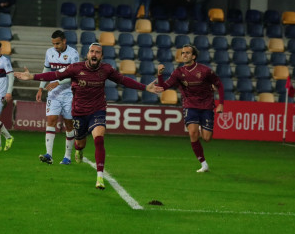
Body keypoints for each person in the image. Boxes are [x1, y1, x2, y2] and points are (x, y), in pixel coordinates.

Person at [15, 42, 163, 189]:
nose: (94, 54)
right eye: (92, 51)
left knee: (99, 139)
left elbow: (123, 80)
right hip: (79, 112)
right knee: (80, 144)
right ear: (87, 54)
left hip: (98, 110)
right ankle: (78, 151)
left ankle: (99, 177)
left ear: (102, 56)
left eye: (97, 52)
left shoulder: (106, 69)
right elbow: (54, 74)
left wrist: (145, 87)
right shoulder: (76, 68)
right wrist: (32, 76)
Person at [156, 44, 224, 173]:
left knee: (207, 138)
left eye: (187, 53)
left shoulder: (205, 71)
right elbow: (162, 87)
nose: (184, 55)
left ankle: (199, 126)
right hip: (190, 105)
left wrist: (221, 103)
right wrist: (160, 75)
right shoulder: (178, 72)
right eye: (182, 53)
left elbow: (219, 84)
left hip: (206, 105)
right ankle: (204, 164)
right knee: (193, 133)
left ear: (193, 56)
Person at [36, 30, 79, 165]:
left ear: (64, 41)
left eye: (58, 43)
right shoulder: (49, 52)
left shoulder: (73, 54)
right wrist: (40, 87)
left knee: (68, 124)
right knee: (51, 120)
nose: (55, 46)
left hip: (69, 94)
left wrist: (57, 82)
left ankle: (67, 157)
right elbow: (46, 70)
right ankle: (49, 154)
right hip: (53, 93)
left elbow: (74, 75)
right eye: (53, 43)